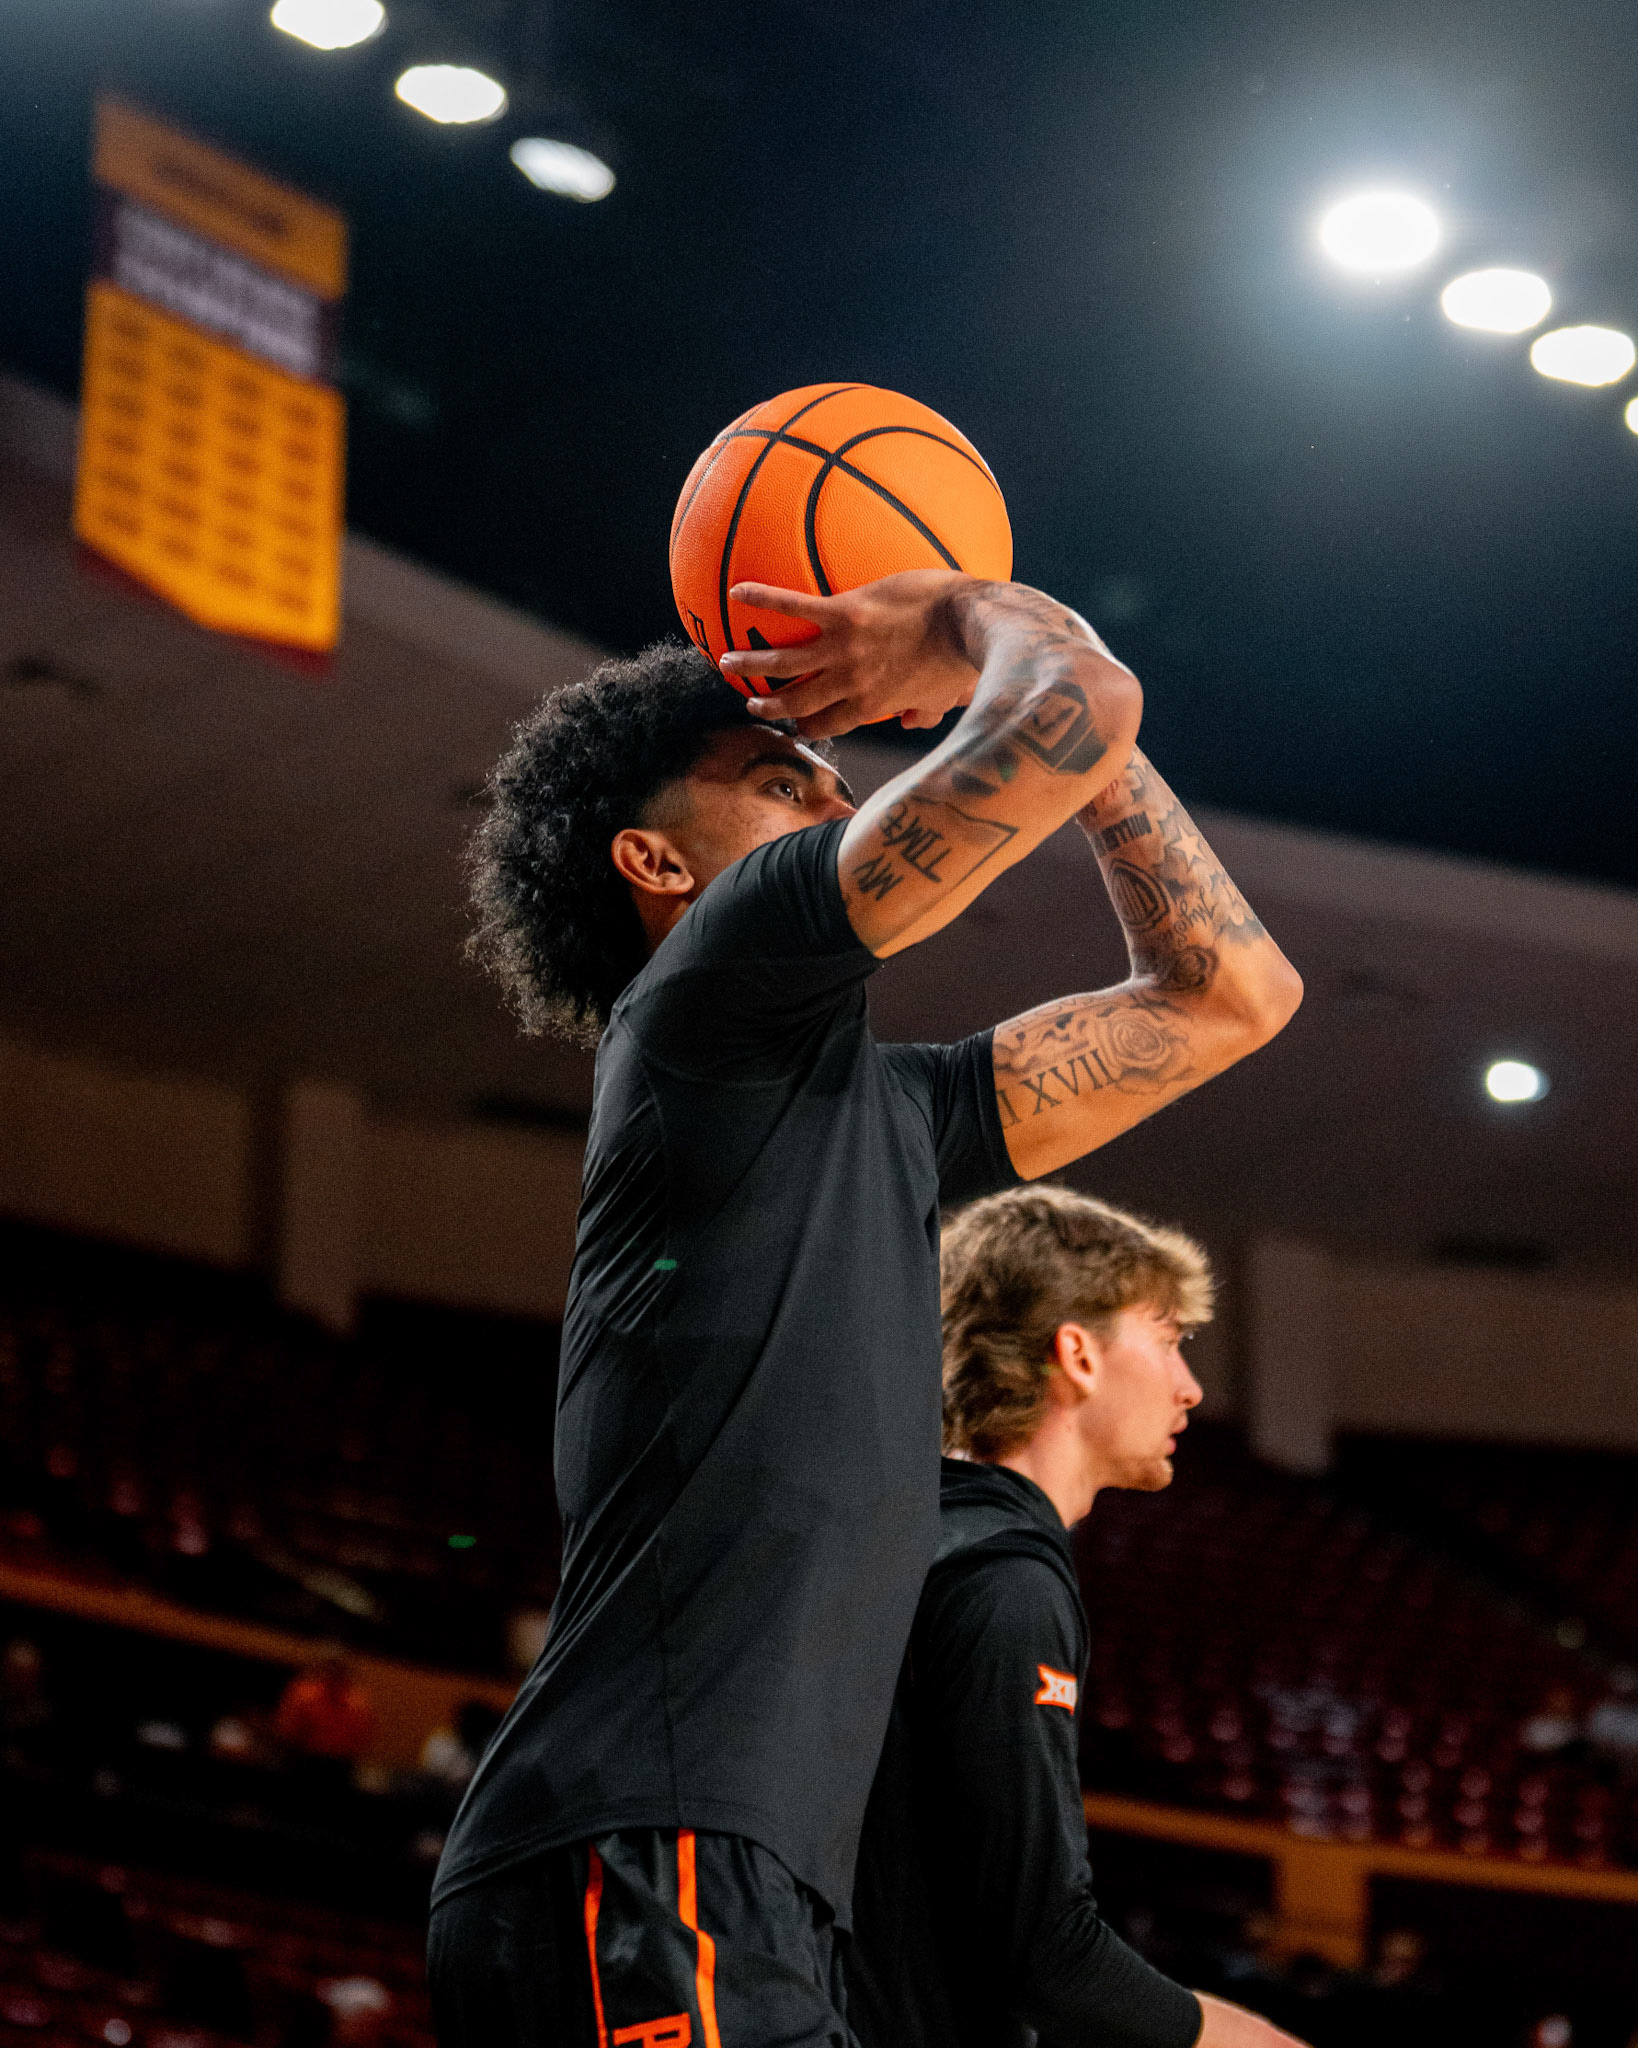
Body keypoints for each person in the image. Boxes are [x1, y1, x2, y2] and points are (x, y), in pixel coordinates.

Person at [429, 568, 1302, 2048]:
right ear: (655, 859)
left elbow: (1231, 995)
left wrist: (1053, 712)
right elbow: (1076, 700)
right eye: (781, 778)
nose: (832, 804)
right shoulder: (703, 998)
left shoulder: (874, 1110)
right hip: (651, 1853)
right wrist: (975, 618)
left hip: (720, 1881)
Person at [849, 1185, 1306, 2048]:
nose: (1192, 1389)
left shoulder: (902, 1535)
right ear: (1078, 1355)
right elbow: (1043, 1953)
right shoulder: (1004, 1583)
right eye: (1172, 1342)